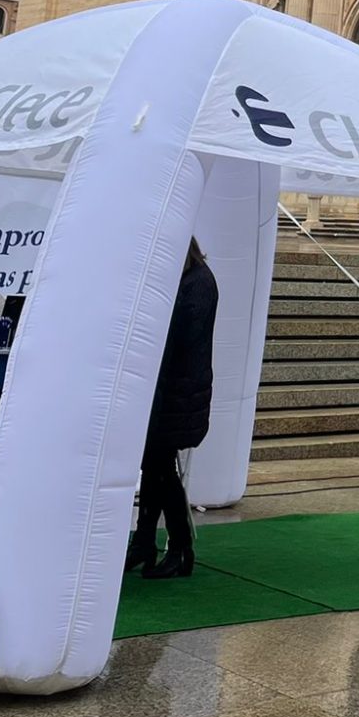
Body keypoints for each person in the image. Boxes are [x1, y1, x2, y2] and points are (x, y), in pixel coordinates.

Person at [128, 239, 219, 579]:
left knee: (162, 471)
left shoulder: (196, 284)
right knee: (154, 468)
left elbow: (175, 339)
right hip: (170, 391)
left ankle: (180, 548)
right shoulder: (189, 280)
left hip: (177, 394)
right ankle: (146, 542)